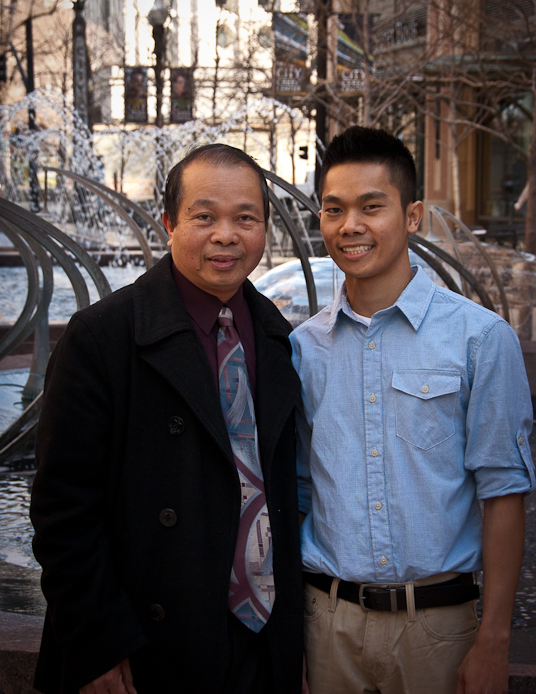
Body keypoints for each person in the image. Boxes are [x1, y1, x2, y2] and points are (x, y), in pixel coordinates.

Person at [30, 144, 304, 694]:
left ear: (265, 228)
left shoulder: (278, 337)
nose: (225, 235)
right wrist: (98, 643)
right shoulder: (102, 337)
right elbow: (63, 511)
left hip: (261, 645)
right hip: (145, 643)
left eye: (245, 218)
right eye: (204, 217)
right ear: (169, 223)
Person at [291, 126, 535, 694]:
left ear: (413, 216)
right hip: (326, 624)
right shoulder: (303, 349)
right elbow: (299, 488)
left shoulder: (479, 338)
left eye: (372, 207)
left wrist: (494, 639)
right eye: (334, 209)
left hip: (439, 629)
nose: (350, 226)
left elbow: (504, 492)